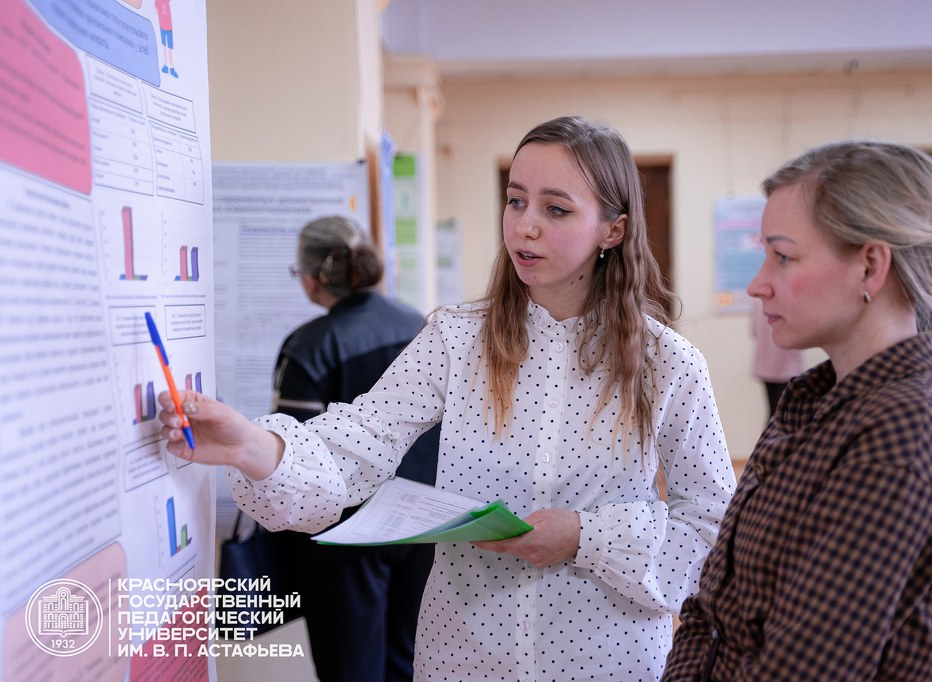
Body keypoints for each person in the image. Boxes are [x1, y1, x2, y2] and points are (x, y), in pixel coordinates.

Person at [159, 115, 735, 681]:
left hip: (609, 660)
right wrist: (253, 446)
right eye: (515, 201)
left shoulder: (669, 363)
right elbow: (357, 442)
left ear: (613, 230)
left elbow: (713, 531)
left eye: (555, 209)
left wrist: (586, 537)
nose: (524, 227)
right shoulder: (456, 340)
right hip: (465, 658)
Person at [661, 140, 932, 681]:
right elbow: (713, 609)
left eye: (783, 256)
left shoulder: (904, 436)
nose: (757, 283)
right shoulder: (816, 403)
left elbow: (798, 668)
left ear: (870, 266)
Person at [270, 216, 440, 681]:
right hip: (425, 521)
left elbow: (293, 460)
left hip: (347, 533)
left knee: (349, 668)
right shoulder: (419, 325)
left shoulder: (309, 346)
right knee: (410, 661)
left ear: (311, 278)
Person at [749, 297, 803, 420]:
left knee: (773, 412)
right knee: (785, 415)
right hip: (788, 367)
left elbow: (754, 331)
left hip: (766, 366)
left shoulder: (758, 301)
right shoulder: (789, 299)